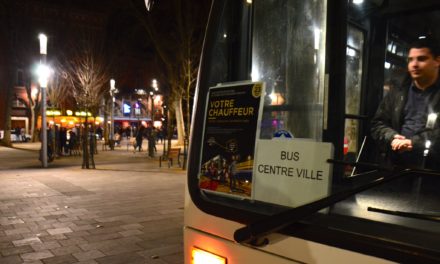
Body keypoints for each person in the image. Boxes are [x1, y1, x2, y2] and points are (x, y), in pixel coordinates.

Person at [371, 37, 440, 170]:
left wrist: (413, 143)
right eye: (410, 60)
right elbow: (377, 124)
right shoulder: (398, 92)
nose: (414, 64)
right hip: (397, 164)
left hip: (433, 167)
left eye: (421, 59)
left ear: (437, 61)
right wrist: (392, 137)